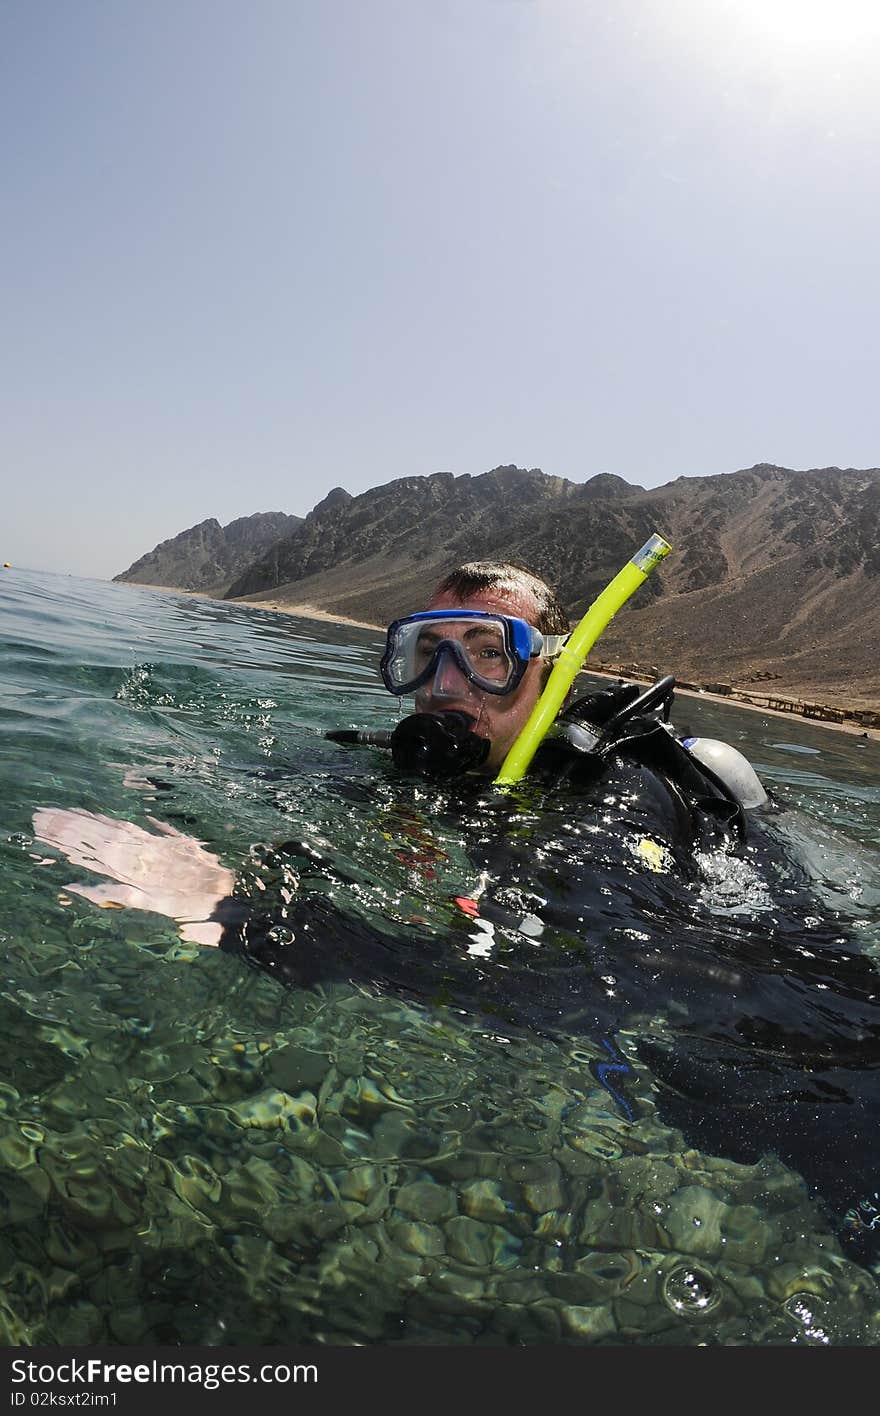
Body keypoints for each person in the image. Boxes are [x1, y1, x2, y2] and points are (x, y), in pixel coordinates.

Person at [29, 558, 880, 1263]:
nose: (446, 685)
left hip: (822, 1059)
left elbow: (581, 986)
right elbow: (301, 783)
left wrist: (250, 916)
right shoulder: (443, 771)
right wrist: (169, 783)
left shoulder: (614, 795)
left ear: (550, 668)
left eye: (487, 655)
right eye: (425, 652)